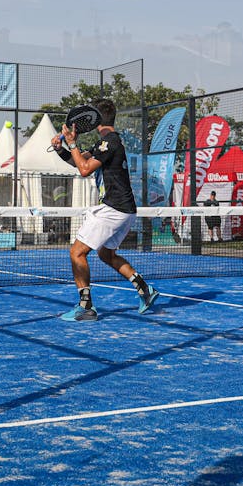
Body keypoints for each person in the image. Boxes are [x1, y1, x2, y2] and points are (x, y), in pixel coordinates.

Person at [52, 98, 158, 320]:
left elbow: (83, 170)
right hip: (125, 209)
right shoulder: (107, 143)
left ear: (96, 119)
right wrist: (61, 149)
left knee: (77, 252)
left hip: (114, 208)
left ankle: (86, 307)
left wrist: (72, 143)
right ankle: (145, 290)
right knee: (106, 254)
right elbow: (78, 162)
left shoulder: (109, 143)